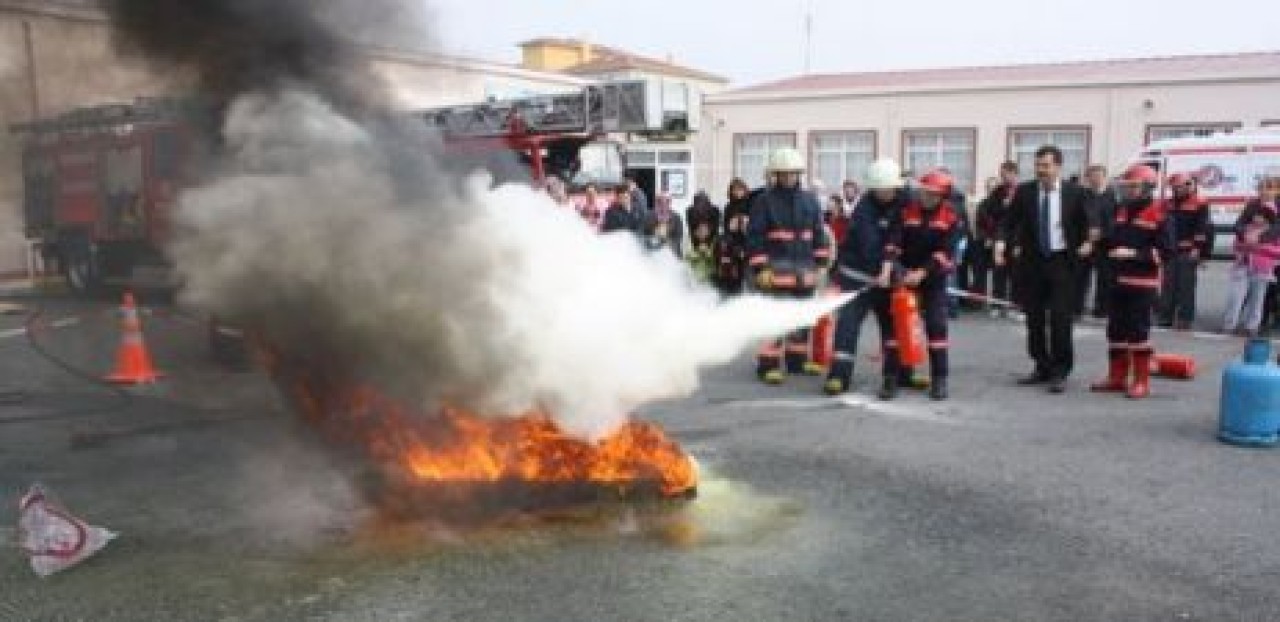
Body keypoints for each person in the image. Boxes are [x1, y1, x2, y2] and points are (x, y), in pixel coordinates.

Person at [997, 145, 1096, 394]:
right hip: (1033, 263)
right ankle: (1041, 365)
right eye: (1038, 165)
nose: (1041, 170)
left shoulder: (1076, 193)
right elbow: (1009, 221)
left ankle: (1060, 370)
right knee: (1035, 318)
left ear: (1058, 166)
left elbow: (1089, 222)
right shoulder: (1026, 192)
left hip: (1062, 262)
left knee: (1061, 319)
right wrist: (1001, 243)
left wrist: (1088, 242)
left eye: (1046, 165)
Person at [747, 147, 833, 384]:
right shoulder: (764, 201)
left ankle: (796, 362)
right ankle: (768, 365)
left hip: (804, 273)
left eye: (792, 173)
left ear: (799, 174)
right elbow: (754, 237)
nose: (788, 178)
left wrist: (822, 263)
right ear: (775, 175)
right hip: (775, 274)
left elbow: (818, 234)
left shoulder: (809, 200)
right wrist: (760, 268)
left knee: (801, 319)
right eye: (783, 173)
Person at [825, 158, 908, 398]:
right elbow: (869, 245)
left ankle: (893, 376)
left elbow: (902, 236)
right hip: (857, 274)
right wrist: (884, 270)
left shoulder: (905, 202)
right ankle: (839, 376)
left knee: (892, 327)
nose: (885, 193)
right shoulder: (864, 208)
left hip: (887, 276)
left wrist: (895, 269)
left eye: (889, 188)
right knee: (847, 326)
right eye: (879, 189)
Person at [1091, 164, 1173, 399]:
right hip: (1118, 280)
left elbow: (1166, 251)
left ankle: (1141, 381)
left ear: (1147, 187)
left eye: (1133, 186)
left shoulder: (1160, 213)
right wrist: (1099, 240)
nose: (1128, 191)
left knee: (1138, 332)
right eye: (1126, 187)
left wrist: (1134, 254)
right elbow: (1113, 239)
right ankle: (1116, 377)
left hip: (1142, 283)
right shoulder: (1122, 211)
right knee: (1115, 330)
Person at [883, 170, 963, 400]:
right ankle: (891, 378)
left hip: (933, 279)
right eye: (924, 191)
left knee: (937, 328)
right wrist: (898, 270)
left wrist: (922, 272)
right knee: (896, 329)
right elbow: (893, 244)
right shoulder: (906, 211)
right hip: (904, 277)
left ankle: (940, 379)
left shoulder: (950, 217)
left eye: (932, 194)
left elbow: (945, 253)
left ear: (942, 196)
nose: (925, 196)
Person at [1222, 175, 1280, 336]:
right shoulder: (1253, 204)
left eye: (1269, 187)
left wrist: (1260, 239)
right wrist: (1244, 235)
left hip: (1265, 261)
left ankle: (1254, 326)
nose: (1264, 191)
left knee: (1260, 297)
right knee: (1237, 295)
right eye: (1261, 187)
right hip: (1245, 259)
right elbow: (1239, 224)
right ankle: (1230, 325)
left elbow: (1277, 229)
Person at [1158, 173, 1211, 329]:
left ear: (1188, 186)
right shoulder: (1167, 204)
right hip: (1169, 250)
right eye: (1175, 187)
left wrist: (1198, 249)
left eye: (1180, 186)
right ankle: (1165, 316)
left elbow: (1203, 229)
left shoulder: (1200, 203)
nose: (1178, 189)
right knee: (1168, 286)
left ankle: (1185, 318)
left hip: (1188, 250)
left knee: (1186, 287)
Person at [974, 162, 1019, 315]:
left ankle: (1015, 306)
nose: (1002, 176)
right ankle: (997, 305)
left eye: (1005, 173)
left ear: (1014, 173)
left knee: (1016, 273)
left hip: (1017, 238)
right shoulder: (998, 191)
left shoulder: (1024, 190)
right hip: (1000, 237)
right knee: (999, 270)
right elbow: (990, 213)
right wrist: (1003, 206)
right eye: (1001, 174)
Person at [1083, 165, 1118, 318]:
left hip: (1105, 244)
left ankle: (1102, 309)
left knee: (1105, 279)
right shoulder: (1083, 197)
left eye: (1098, 176)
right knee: (1081, 277)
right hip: (1084, 244)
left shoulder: (1114, 198)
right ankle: (1078, 306)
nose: (1095, 179)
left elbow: (1116, 222)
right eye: (1092, 176)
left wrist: (1102, 234)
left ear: (1105, 178)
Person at [716, 178, 753, 296]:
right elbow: (726, 227)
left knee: (746, 268)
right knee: (731, 266)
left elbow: (754, 224)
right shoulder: (728, 207)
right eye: (734, 190)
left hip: (747, 240)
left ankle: (747, 291)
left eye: (740, 189)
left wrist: (745, 222)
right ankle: (731, 290)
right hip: (733, 241)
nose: (737, 192)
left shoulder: (750, 204)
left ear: (744, 189)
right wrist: (731, 227)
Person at [643, 193, 684, 258]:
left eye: (667, 202)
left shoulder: (676, 217)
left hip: (672, 253)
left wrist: (667, 241)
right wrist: (654, 233)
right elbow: (643, 235)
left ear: (670, 203)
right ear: (656, 203)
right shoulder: (648, 216)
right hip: (653, 253)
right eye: (660, 202)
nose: (663, 205)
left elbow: (679, 237)